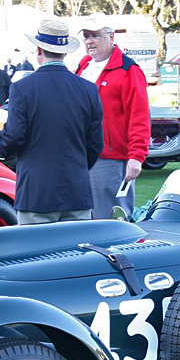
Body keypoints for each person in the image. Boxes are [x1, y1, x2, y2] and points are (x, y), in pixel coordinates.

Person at [0, 19, 103, 225]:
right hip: (76, 190)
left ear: (38, 50)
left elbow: (15, 134)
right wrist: (77, 167)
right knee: (74, 254)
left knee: (37, 254)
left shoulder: (23, 88)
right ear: (65, 52)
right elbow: (95, 143)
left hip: (37, 192)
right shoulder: (88, 89)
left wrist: (0, 147)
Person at [75, 13, 151, 219]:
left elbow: (140, 117)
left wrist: (136, 156)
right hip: (81, 154)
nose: (89, 41)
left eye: (95, 36)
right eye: (86, 36)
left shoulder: (129, 70)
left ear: (111, 37)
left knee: (111, 219)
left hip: (110, 159)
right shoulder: (84, 66)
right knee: (83, 216)